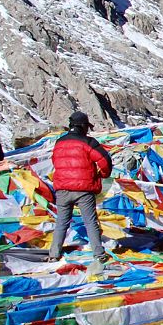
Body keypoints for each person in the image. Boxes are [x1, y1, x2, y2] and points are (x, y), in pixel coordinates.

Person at [49, 111, 113, 273]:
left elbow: (55, 160)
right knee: (90, 221)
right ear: (83, 126)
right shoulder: (88, 142)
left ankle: (54, 254)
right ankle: (98, 253)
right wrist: (103, 174)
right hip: (84, 189)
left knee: (62, 221)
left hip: (62, 188)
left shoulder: (59, 142)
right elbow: (104, 160)